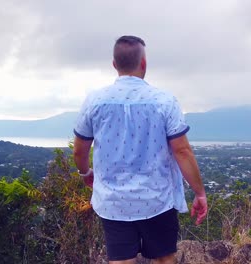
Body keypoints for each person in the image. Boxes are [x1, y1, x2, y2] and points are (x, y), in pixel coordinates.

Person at [73, 35, 207, 264]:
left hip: (113, 201)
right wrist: (199, 193)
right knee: (164, 258)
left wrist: (86, 173)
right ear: (144, 63)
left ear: (114, 65)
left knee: (122, 260)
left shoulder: (94, 101)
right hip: (156, 199)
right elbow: (182, 151)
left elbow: (79, 151)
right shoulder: (164, 100)